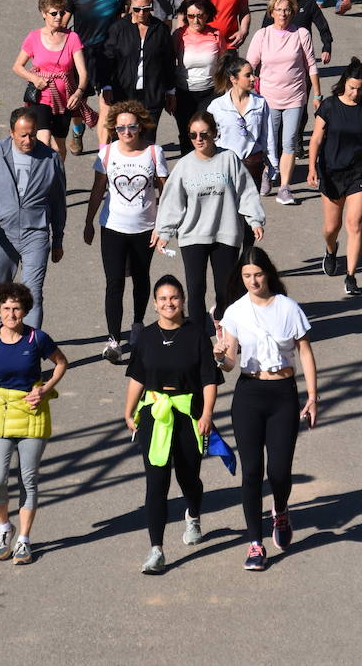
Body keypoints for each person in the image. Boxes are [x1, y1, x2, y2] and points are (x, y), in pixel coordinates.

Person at [215, 248, 317, 572]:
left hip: (283, 395)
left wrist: (312, 396)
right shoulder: (235, 312)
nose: (252, 281)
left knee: (279, 472)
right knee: (251, 473)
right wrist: (219, 355)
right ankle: (255, 544)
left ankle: (281, 510)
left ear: (268, 273)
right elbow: (230, 363)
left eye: (257, 274)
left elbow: (304, 351)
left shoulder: (288, 309)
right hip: (248, 394)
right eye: (246, 276)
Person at [0, 281, 67, 567]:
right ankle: (5, 527)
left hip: (32, 414)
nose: (11, 314)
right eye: (6, 308)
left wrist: (45, 388)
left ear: (25, 310)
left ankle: (25, 540)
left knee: (27, 480)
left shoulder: (37, 339)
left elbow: (61, 363)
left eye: (16, 308)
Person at [124, 274, 218, 574]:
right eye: (163, 298)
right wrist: (128, 412)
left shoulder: (197, 335)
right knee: (156, 481)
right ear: (154, 304)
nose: (169, 303)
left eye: (174, 298)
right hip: (154, 413)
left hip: (188, 412)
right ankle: (157, 549)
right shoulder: (146, 337)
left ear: (183, 301)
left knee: (189, 477)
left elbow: (209, 380)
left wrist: (206, 415)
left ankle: (193, 513)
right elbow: (137, 376)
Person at [153, 111, 265, 325]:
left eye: (203, 134)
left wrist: (255, 219)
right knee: (195, 290)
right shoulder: (184, 165)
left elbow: (246, 191)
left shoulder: (228, 159)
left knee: (226, 290)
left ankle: (225, 328)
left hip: (226, 232)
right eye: (193, 135)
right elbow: (172, 202)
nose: (198, 139)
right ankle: (197, 338)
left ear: (214, 133)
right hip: (193, 235)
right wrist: (165, 231)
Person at [87, 101, 169, 363]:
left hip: (145, 228)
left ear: (141, 126)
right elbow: (98, 189)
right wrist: (88, 221)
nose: (126, 132)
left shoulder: (154, 153)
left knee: (141, 277)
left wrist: (163, 226)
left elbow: (165, 192)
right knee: (114, 282)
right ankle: (113, 339)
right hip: (112, 226)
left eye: (131, 126)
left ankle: (137, 323)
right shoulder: (107, 154)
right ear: (113, 128)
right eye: (121, 127)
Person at [0, 108, 67, 327]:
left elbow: (59, 203)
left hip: (36, 234)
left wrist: (58, 239)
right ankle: (7, 341)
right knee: (2, 294)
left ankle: (29, 350)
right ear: (12, 132)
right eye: (22, 135)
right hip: (2, 235)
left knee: (33, 294)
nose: (28, 140)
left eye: (32, 134)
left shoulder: (50, 158)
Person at [306, 57, 362, 297]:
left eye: (360, 88)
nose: (355, 93)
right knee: (332, 227)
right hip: (332, 172)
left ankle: (351, 276)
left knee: (354, 223)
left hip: (360, 172)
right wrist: (312, 167)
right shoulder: (330, 106)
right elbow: (316, 139)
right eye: (351, 87)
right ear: (344, 84)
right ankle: (331, 249)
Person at [247, 0, 321, 206]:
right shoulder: (262, 35)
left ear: (293, 13)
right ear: (271, 13)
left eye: (287, 10)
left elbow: (311, 66)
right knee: (269, 143)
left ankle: (285, 188)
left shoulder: (301, 34)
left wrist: (316, 94)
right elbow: (250, 65)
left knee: (288, 142)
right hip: (268, 98)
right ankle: (267, 175)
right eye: (279, 10)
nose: (283, 14)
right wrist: (246, 91)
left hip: (295, 97)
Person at [12, 0, 88, 160]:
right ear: (43, 14)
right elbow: (17, 66)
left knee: (60, 145)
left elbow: (82, 72)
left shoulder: (72, 38)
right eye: (54, 13)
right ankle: (42, 180)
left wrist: (79, 92)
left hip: (65, 99)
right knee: (43, 140)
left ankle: (57, 179)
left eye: (62, 12)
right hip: (41, 97)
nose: (59, 16)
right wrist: (35, 79)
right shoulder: (34, 37)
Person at [64, 0, 126, 153]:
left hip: (107, 56)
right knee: (78, 100)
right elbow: (64, 23)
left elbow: (122, 22)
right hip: (80, 54)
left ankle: (105, 144)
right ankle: (77, 129)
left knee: (107, 100)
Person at [102, 0, 177, 132]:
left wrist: (170, 91)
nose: (141, 13)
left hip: (152, 94)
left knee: (148, 138)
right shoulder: (118, 28)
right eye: (137, 9)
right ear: (130, 7)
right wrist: (106, 86)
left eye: (146, 8)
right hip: (123, 93)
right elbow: (108, 59)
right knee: (124, 136)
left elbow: (169, 62)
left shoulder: (161, 29)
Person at [208, 52, 277, 192]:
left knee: (250, 211)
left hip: (252, 167)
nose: (253, 78)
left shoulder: (260, 103)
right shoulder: (217, 106)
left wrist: (273, 165)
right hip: (224, 168)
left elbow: (268, 136)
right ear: (234, 79)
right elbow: (210, 138)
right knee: (227, 211)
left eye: (252, 74)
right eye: (248, 75)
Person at [172, 0, 223, 155]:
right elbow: (169, 64)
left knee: (205, 132)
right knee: (187, 133)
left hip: (210, 92)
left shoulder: (216, 35)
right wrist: (170, 93)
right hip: (184, 93)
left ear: (207, 15)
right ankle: (187, 170)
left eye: (199, 15)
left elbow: (224, 64)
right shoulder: (179, 35)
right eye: (191, 16)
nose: (195, 20)